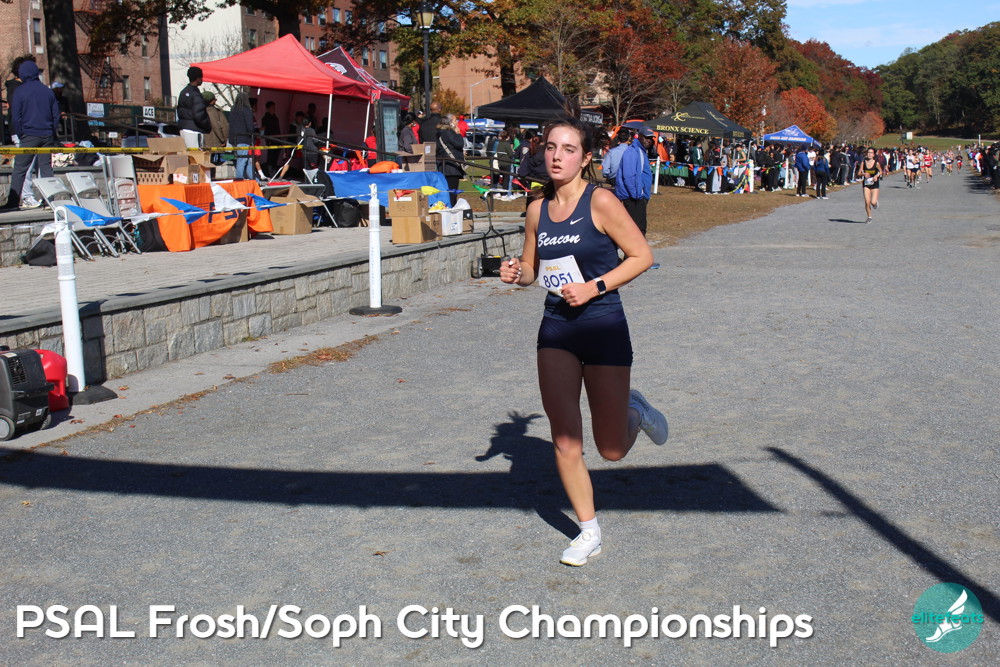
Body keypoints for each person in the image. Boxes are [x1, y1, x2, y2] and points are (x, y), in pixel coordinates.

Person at [498, 117, 666, 567]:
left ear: (586, 157)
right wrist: (517, 273)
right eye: (551, 147)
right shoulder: (537, 210)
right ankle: (588, 531)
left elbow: (642, 256)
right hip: (557, 329)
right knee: (566, 437)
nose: (557, 156)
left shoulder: (602, 201)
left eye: (569, 149)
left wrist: (595, 287)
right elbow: (533, 270)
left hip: (604, 326)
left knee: (611, 449)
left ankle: (636, 410)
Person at [3, 60, 58, 211]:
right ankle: (49, 201)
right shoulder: (48, 91)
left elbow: (16, 116)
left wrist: (21, 133)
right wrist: (51, 130)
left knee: (20, 169)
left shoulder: (20, 91)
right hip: (47, 134)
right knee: (46, 168)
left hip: (29, 134)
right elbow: (55, 115)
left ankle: (13, 202)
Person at [615, 127, 653, 236]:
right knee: (637, 231)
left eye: (651, 138)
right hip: (634, 198)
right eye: (646, 137)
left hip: (639, 196)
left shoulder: (641, 151)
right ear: (639, 136)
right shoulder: (632, 151)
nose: (648, 140)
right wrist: (637, 194)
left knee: (640, 229)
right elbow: (629, 176)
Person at [177, 66, 211, 148]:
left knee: (187, 154)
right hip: (194, 130)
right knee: (196, 155)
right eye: (201, 77)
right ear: (197, 78)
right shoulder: (196, 94)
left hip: (183, 128)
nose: (202, 79)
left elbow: (179, 110)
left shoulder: (183, 92)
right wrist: (207, 126)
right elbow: (199, 114)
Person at [435, 113, 465, 207]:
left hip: (445, 165)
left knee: (448, 191)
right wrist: (458, 134)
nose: (457, 122)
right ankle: (451, 208)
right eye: (455, 120)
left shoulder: (440, 132)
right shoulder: (448, 133)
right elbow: (459, 144)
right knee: (452, 192)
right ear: (450, 122)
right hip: (451, 166)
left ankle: (449, 206)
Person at [228, 92, 256, 181]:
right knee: (243, 160)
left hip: (234, 139)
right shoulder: (246, 110)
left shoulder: (233, 110)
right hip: (244, 138)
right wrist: (253, 133)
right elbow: (249, 126)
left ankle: (253, 179)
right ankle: (239, 179)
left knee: (245, 160)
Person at [201, 90, 229, 164]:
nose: (216, 101)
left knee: (210, 162)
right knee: (213, 162)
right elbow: (216, 126)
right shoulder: (212, 111)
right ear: (211, 101)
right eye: (214, 99)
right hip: (214, 141)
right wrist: (223, 140)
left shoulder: (200, 111)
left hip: (209, 142)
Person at [856, 147, 882, 223]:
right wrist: (864, 174)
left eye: (871, 153)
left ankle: (875, 203)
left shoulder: (876, 163)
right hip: (866, 184)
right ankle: (869, 217)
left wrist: (876, 176)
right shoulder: (863, 162)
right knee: (867, 202)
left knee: (872, 202)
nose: (870, 154)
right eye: (868, 152)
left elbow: (881, 172)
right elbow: (858, 173)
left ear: (874, 155)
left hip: (874, 183)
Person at [260, 100, 281, 176]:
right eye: (272, 108)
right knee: (271, 157)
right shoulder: (265, 118)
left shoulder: (275, 118)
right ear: (268, 108)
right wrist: (268, 139)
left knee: (275, 157)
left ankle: (275, 171)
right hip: (270, 140)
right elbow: (264, 129)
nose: (274, 109)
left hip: (278, 139)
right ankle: (270, 172)